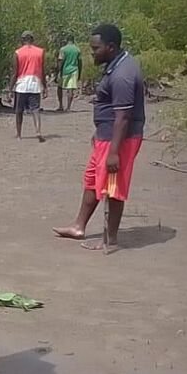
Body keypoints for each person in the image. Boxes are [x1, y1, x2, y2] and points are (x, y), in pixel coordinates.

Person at [53, 23, 146, 254]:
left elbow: (123, 117)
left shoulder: (123, 74)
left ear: (111, 47)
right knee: (93, 179)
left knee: (112, 187)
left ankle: (110, 241)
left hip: (120, 140)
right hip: (107, 136)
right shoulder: (116, 65)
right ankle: (78, 226)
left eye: (96, 49)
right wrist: (100, 134)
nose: (92, 53)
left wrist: (114, 151)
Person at [12, 31, 47, 141]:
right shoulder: (40, 52)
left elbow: (15, 72)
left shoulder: (18, 53)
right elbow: (42, 71)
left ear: (22, 40)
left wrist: (10, 87)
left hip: (21, 84)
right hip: (35, 83)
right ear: (32, 39)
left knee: (19, 111)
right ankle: (38, 131)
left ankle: (19, 135)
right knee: (35, 109)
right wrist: (45, 86)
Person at [56, 34, 82, 112]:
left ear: (66, 40)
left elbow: (60, 60)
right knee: (70, 89)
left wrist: (58, 71)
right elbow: (80, 62)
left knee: (60, 88)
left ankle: (61, 105)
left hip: (64, 71)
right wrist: (80, 72)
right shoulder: (77, 50)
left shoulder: (63, 49)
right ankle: (68, 107)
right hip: (74, 70)